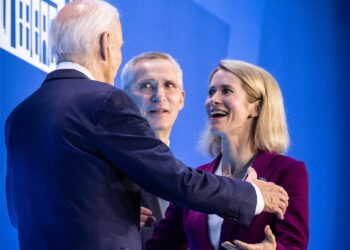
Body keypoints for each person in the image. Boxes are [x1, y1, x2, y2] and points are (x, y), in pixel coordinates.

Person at [4, 1, 288, 249]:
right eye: (119, 46)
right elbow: (174, 180)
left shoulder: (19, 115)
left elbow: (19, 212)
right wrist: (250, 195)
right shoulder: (104, 100)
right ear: (105, 44)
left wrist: (115, 210)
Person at [146, 60, 309, 250]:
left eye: (226, 91)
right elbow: (159, 246)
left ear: (255, 107)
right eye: (211, 92)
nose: (213, 100)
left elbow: (294, 245)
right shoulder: (196, 179)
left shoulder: (287, 172)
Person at [121, 52, 185, 246]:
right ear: (125, 97)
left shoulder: (187, 180)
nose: (159, 96)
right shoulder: (106, 166)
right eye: (146, 85)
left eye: (169, 85)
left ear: (181, 99)